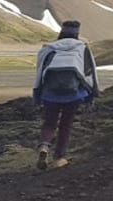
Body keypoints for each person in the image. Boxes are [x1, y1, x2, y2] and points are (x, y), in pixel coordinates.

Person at [33, 19, 99, 170]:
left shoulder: (48, 48)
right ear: (77, 33)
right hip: (74, 95)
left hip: (50, 94)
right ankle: (59, 158)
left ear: (61, 32)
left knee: (49, 123)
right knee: (66, 125)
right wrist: (92, 94)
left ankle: (44, 146)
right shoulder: (82, 48)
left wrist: (37, 95)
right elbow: (90, 73)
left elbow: (39, 72)